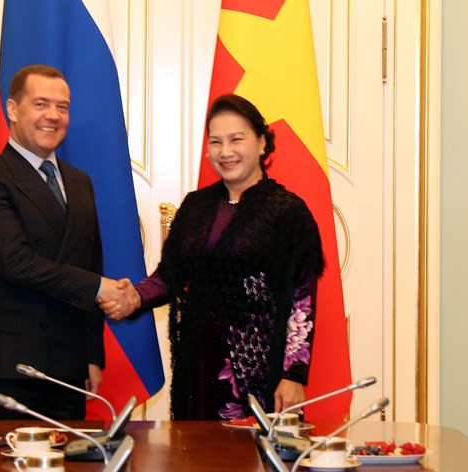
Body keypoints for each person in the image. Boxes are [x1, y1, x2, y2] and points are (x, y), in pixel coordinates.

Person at [101, 94, 325, 420]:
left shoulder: (287, 211)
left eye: (237, 139)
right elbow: (169, 276)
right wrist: (134, 297)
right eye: (216, 142)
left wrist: (293, 375)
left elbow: (301, 301)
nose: (225, 151)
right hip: (198, 367)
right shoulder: (196, 207)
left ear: (262, 142)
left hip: (260, 372)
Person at [0, 64, 134, 420]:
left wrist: (91, 355)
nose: (53, 116)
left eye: (63, 107)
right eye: (40, 104)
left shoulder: (80, 181)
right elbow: (16, 263)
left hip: (69, 367)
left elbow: (91, 263)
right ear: (12, 109)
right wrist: (99, 288)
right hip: (11, 363)